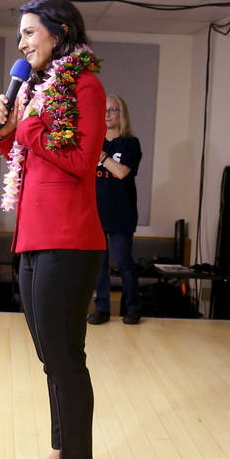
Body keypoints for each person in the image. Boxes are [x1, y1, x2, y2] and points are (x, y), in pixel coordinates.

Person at [0, 0, 106, 459]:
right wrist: (9, 129)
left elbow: (81, 159)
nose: (22, 42)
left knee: (65, 358)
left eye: (30, 32)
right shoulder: (36, 89)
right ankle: (62, 451)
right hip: (33, 238)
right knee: (49, 357)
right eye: (21, 35)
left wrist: (29, 126)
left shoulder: (85, 85)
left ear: (59, 32)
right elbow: (27, 156)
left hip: (69, 239)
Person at [87, 94, 143, 325]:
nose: (107, 114)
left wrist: (102, 157)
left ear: (122, 114)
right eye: (104, 110)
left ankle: (132, 308)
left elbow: (121, 172)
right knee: (99, 265)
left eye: (112, 110)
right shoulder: (93, 140)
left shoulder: (130, 143)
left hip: (121, 213)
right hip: (96, 214)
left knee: (124, 262)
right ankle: (102, 308)